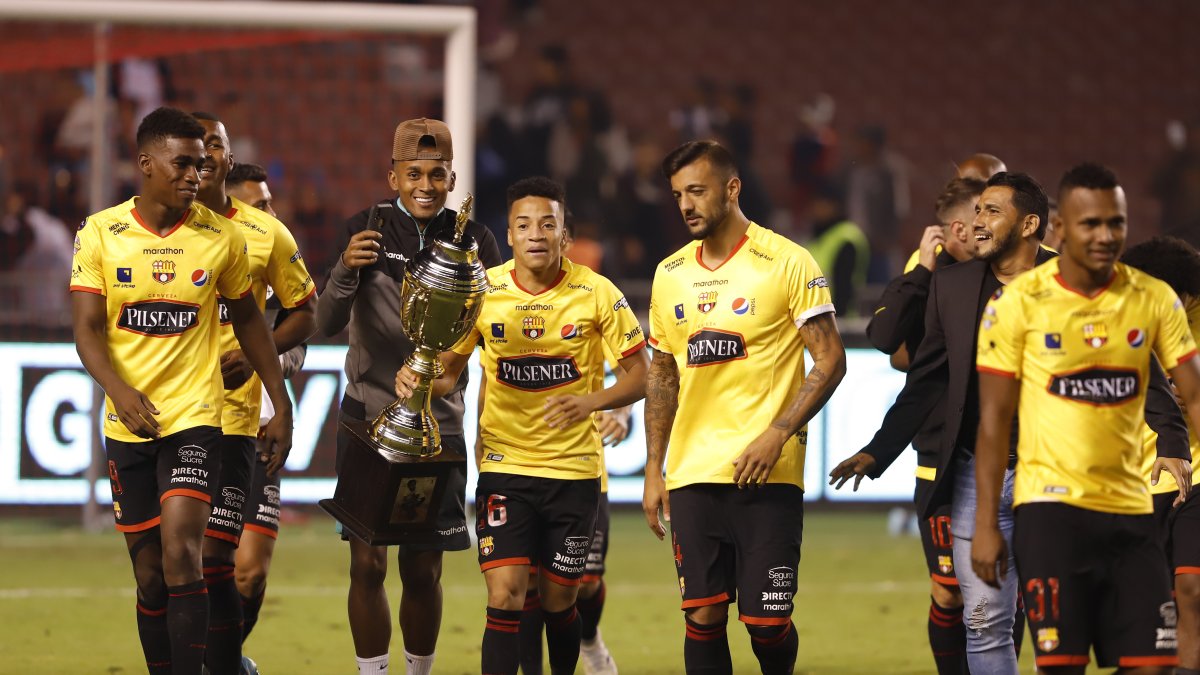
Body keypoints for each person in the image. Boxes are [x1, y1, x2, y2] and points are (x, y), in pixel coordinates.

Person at [830, 170, 1190, 675]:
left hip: (1061, 481)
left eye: (990, 212)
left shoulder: (1077, 280)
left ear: (1029, 225)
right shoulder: (951, 286)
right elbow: (929, 379)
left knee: (1062, 631)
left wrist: (1173, 440)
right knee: (984, 624)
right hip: (978, 476)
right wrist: (877, 449)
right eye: (976, 210)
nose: (975, 222)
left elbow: (1136, 364)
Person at [394, 176, 649, 675]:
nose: (536, 234)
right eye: (524, 225)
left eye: (547, 224)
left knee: (558, 603)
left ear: (564, 236)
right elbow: (449, 373)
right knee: (506, 594)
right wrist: (420, 377)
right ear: (508, 235)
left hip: (574, 473)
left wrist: (592, 402)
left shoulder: (598, 293)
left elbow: (643, 375)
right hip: (505, 467)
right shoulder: (483, 290)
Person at [70, 106, 292, 675]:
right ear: (146, 163)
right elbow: (87, 329)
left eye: (201, 163)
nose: (197, 174)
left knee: (182, 557)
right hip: (129, 422)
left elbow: (250, 321)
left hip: (197, 417)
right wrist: (118, 391)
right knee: (149, 575)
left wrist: (280, 399)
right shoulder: (101, 232)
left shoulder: (222, 237)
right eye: (183, 163)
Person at [972, 162, 1199, 674]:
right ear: (1060, 229)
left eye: (1114, 223)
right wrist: (987, 523)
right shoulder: (1017, 306)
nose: (1104, 235)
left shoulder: (1153, 298)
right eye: (1090, 223)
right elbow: (993, 420)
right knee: (1063, 665)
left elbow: (1191, 397)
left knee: (1153, 662)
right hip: (1052, 515)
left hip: (1133, 513)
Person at [643, 140, 847, 675]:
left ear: (732, 188)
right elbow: (662, 373)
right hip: (691, 472)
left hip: (767, 475)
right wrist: (652, 467)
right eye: (677, 195)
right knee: (704, 615)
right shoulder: (669, 274)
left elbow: (830, 359)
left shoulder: (787, 261)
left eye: (697, 191)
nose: (685, 205)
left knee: (766, 624)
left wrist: (778, 432)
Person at [317, 117, 503, 675]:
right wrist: (345, 271)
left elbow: (489, 328)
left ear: (451, 178)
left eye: (437, 174)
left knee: (424, 568)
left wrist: (442, 371)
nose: (426, 184)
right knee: (367, 565)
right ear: (392, 175)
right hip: (369, 419)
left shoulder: (477, 240)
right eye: (413, 172)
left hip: (438, 423)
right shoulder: (366, 229)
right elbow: (324, 322)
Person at [191, 112, 318, 675]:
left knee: (250, 569)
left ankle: (226, 657)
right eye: (259, 204)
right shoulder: (178, 239)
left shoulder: (271, 246)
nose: (269, 213)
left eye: (270, 204)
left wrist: (274, 384)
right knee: (187, 563)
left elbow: (303, 319)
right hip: (189, 419)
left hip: (253, 419)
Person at [858, 175, 984, 675]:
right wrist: (924, 266)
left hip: (1011, 454)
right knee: (949, 592)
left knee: (1002, 589)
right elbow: (887, 338)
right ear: (954, 228)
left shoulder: (1015, 276)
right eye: (982, 217)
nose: (991, 225)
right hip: (938, 453)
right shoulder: (927, 276)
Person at [519, 215, 629, 675]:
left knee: (584, 584)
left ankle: (588, 638)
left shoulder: (592, 303)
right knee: (524, 584)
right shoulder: (506, 296)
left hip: (583, 468)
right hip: (522, 465)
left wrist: (620, 412)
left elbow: (631, 369)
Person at [1123, 236, 1200, 675]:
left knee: (1191, 587)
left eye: (1187, 296)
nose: (1182, 305)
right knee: (1147, 599)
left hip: (1196, 472)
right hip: (1138, 476)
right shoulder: (1122, 320)